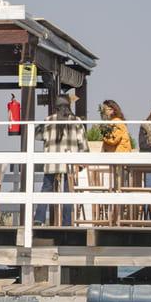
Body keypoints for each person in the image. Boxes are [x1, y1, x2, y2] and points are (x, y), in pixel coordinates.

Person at [34, 97, 85, 226]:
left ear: (56, 108)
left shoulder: (49, 120)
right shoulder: (76, 121)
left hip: (52, 161)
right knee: (68, 192)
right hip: (69, 163)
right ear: (68, 106)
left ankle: (39, 218)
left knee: (46, 188)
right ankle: (66, 222)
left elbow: (37, 136)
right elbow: (83, 143)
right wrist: (82, 162)